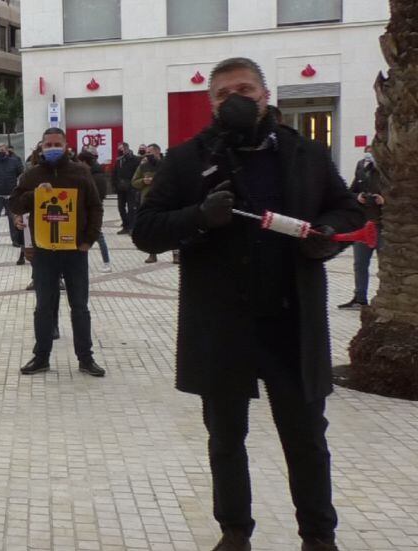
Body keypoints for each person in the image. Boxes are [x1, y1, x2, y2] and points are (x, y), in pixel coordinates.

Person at [133, 57, 364, 551]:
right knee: (225, 439)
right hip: (222, 323)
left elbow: (347, 207)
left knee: (306, 439)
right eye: (223, 93)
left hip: (291, 321)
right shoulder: (187, 158)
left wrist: (329, 236)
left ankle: (319, 536)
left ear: (265, 94)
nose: (236, 98)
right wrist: (198, 215)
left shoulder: (307, 152)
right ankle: (235, 532)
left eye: (245, 88)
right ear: (211, 103)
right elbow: (145, 228)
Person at [10, 127, 106, 379]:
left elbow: (95, 207)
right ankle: (41, 357)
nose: (52, 148)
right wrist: (34, 194)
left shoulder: (80, 173)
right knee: (43, 306)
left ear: (66, 146)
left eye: (56, 144)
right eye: (48, 144)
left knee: (80, 307)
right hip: (44, 252)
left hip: (75, 251)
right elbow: (15, 204)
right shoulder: (32, 175)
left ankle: (86, 358)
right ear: (41, 147)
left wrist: (88, 240)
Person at [338, 146, 384, 309]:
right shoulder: (361, 167)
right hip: (365, 224)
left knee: (385, 264)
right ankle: (359, 297)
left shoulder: (387, 168)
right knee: (359, 264)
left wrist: (383, 199)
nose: (369, 155)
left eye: (372, 151)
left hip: (384, 225)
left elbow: (400, 193)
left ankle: (385, 296)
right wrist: (358, 197)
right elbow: (350, 192)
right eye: (367, 151)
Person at [78, 145, 113, 273]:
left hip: (92, 211)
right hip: (85, 210)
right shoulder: (89, 173)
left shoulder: (96, 176)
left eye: (80, 162)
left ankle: (106, 262)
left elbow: (98, 197)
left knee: (98, 235)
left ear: (85, 162)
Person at [0, 143, 24, 248]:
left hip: (11, 195)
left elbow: (22, 173)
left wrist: (17, 186)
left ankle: (15, 240)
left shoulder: (14, 162)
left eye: (3, 149)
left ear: (7, 150)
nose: (1, 151)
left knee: (12, 218)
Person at [132, 144, 165, 263]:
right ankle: (152, 254)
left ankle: (175, 254)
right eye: (146, 152)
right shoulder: (143, 166)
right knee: (151, 228)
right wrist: (143, 181)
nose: (147, 154)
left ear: (157, 152)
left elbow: (174, 180)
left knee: (170, 226)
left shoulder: (167, 165)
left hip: (164, 200)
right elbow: (134, 182)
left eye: (150, 152)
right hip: (148, 202)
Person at [112, 142, 141, 235]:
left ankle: (131, 227)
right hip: (121, 188)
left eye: (122, 149)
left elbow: (138, 174)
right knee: (121, 208)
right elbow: (115, 174)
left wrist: (135, 185)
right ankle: (125, 225)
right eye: (119, 149)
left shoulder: (135, 159)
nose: (120, 150)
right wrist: (115, 185)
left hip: (131, 188)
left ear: (127, 148)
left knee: (131, 208)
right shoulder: (119, 160)